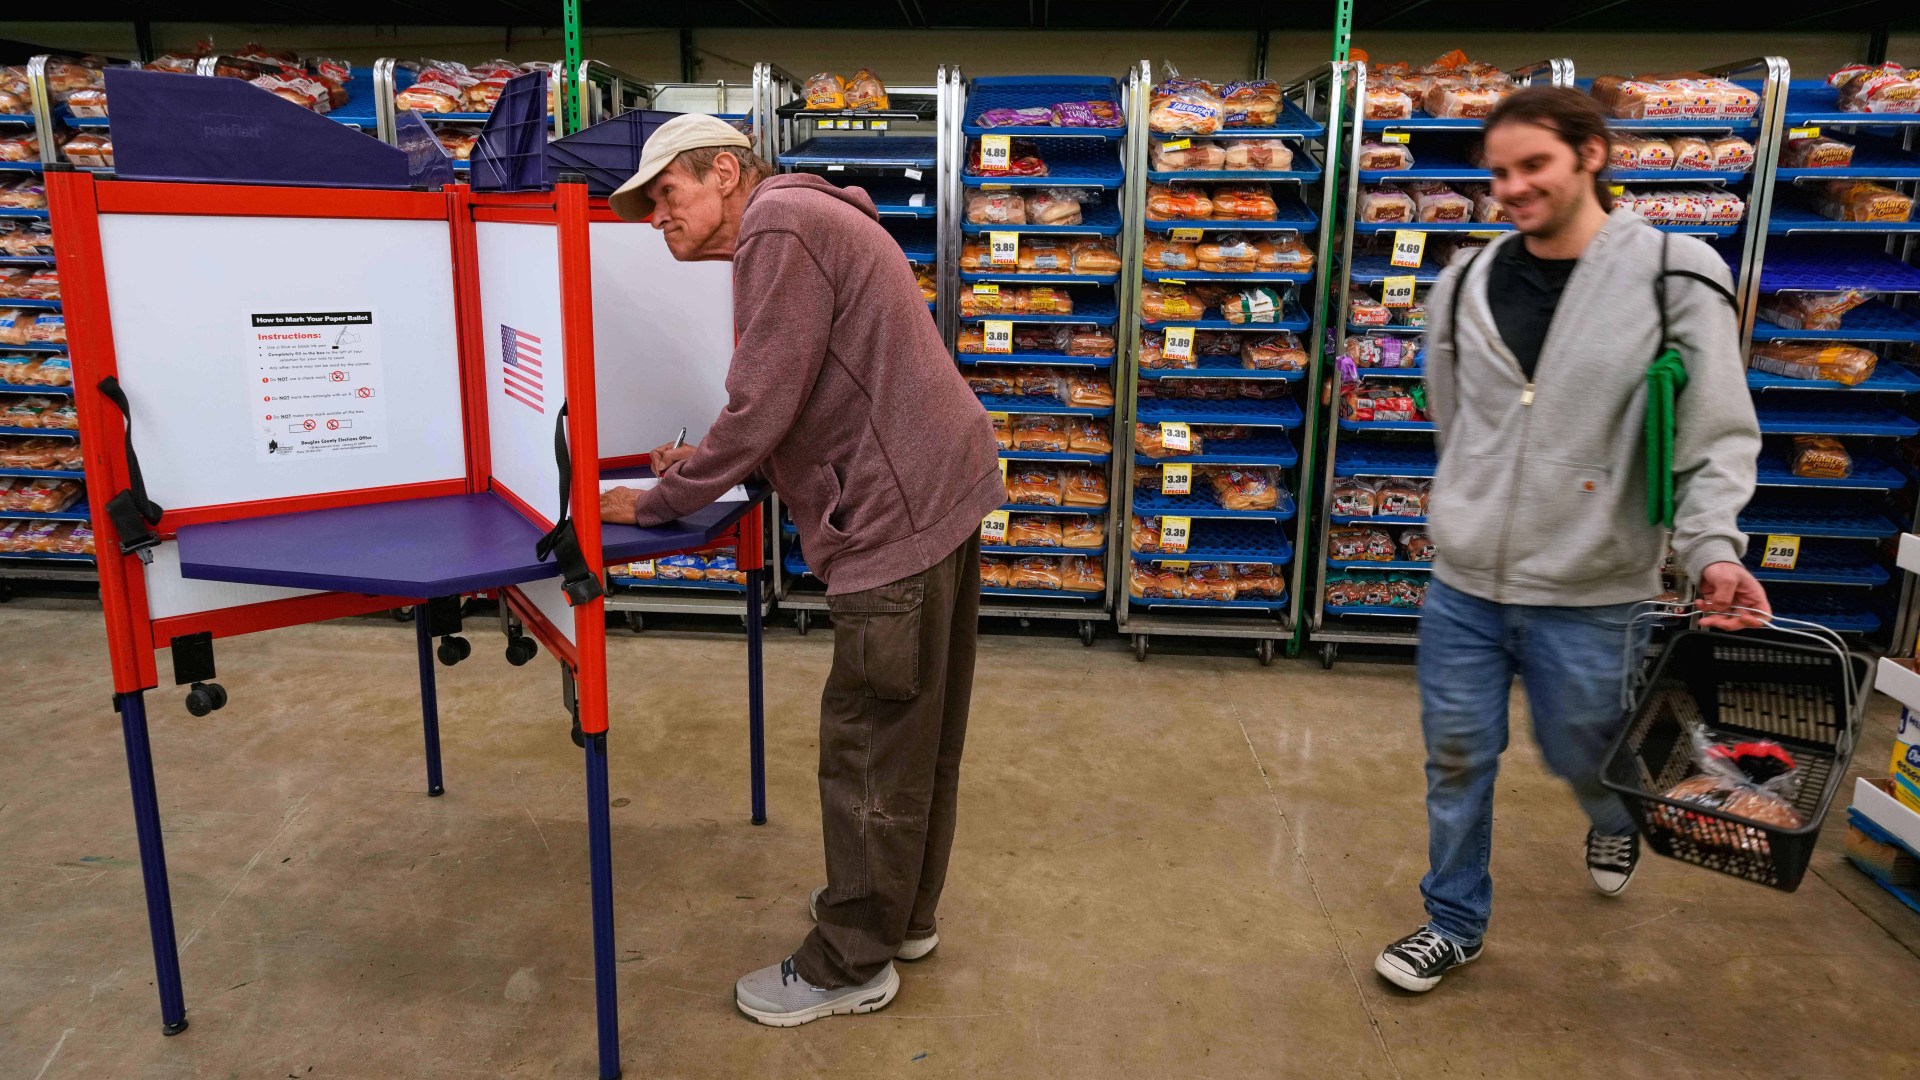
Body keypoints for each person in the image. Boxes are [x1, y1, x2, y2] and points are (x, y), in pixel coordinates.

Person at [601, 115, 1004, 1025]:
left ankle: (849, 961)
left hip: (893, 520)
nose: (657, 219)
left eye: (668, 195)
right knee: (919, 737)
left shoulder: (779, 227)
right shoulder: (812, 217)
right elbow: (799, 394)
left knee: (866, 747)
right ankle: (903, 919)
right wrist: (705, 461)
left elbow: (765, 401)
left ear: (728, 172)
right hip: (942, 493)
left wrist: (659, 499)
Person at [1373, 87, 1770, 993]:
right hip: (1466, 584)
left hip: (1595, 591)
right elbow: (1455, 416)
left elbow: (1715, 427)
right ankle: (1454, 920)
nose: (1511, 188)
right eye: (1499, 172)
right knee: (1457, 758)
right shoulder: (1465, 282)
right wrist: (1470, 505)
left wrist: (1712, 548)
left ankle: (1616, 816)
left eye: (1533, 166)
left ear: (1591, 154)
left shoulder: (1676, 271)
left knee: (1589, 760)